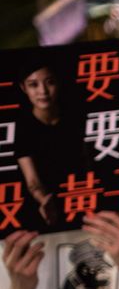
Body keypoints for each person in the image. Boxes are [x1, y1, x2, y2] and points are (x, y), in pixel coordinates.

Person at [14, 61, 75, 227]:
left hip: (80, 198)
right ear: (23, 88)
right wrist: (44, 200)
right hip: (48, 211)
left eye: (50, 82)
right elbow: (32, 180)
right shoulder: (23, 130)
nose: (43, 91)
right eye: (33, 85)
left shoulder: (74, 119)